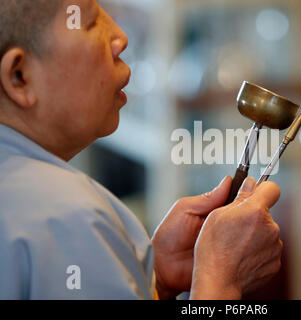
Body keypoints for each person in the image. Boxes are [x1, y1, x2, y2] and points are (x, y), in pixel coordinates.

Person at [0, 0, 282, 300]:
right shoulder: (68, 217)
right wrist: (221, 278)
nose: (121, 37)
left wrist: (155, 280)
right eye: (91, 22)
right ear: (20, 76)